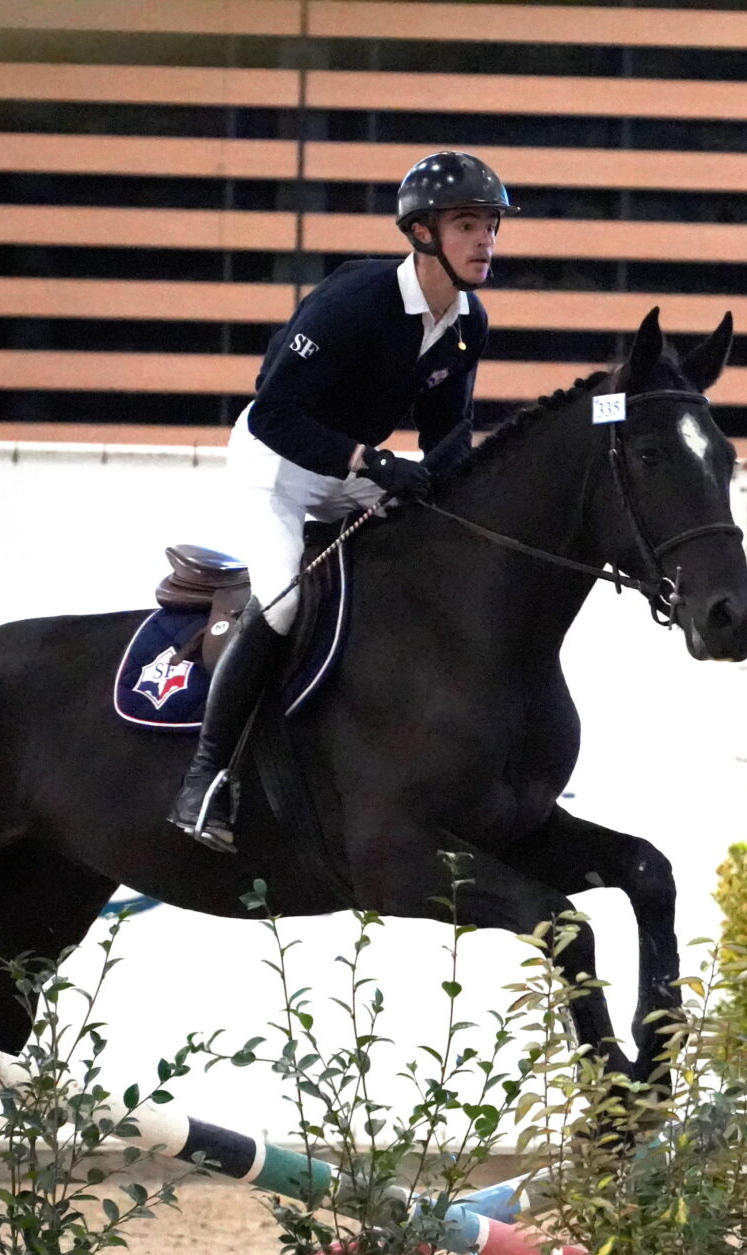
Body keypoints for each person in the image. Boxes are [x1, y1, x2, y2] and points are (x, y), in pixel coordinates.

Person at [167, 150, 516, 852]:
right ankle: (204, 779)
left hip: (350, 469)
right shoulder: (355, 302)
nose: (486, 241)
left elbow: (448, 433)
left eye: (491, 226)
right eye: (468, 226)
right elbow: (273, 413)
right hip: (275, 465)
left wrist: (451, 489)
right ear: (422, 233)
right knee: (284, 602)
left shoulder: (467, 322)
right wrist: (372, 462)